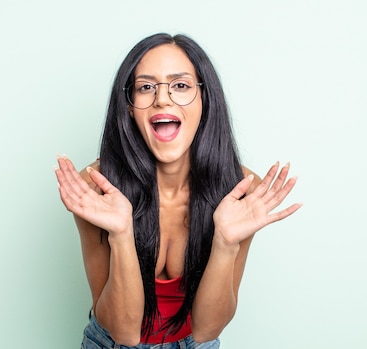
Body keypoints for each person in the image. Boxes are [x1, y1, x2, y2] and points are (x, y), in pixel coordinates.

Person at [55, 33, 301, 349]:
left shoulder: (239, 190)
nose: (163, 99)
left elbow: (206, 331)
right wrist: (121, 234)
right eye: (146, 87)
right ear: (129, 106)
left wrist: (226, 243)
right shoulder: (95, 188)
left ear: (204, 99)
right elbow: (124, 333)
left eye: (181, 86)